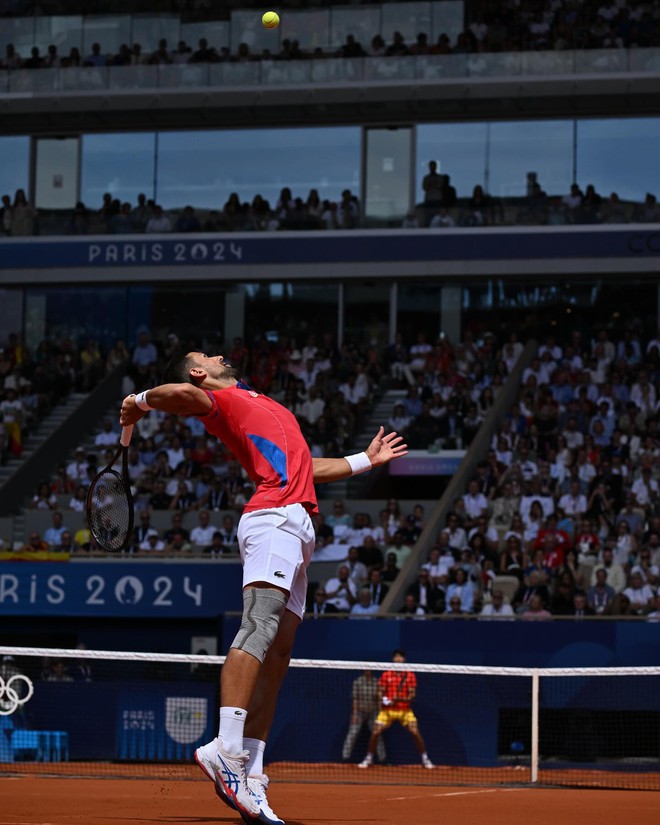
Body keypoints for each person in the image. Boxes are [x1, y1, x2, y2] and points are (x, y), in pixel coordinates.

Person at [120, 348, 407, 822]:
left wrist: (363, 461)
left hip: (299, 524)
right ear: (199, 373)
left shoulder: (257, 404)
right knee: (259, 624)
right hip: (272, 518)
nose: (216, 355)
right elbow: (176, 394)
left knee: (278, 651)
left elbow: (306, 469)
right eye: (204, 356)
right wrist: (142, 400)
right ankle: (226, 747)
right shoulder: (219, 400)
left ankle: (250, 770)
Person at [357, 649, 433, 770]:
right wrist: (386, 700)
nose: (398, 659)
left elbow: (412, 696)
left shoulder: (410, 675)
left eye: (400, 657)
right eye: (396, 657)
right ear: (393, 659)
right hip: (387, 711)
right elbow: (380, 693)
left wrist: (398, 699)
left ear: (404, 660)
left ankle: (425, 759)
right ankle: (369, 758)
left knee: (415, 733)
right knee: (375, 732)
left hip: (405, 711)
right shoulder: (386, 674)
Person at [342, 670, 386, 764]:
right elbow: (355, 699)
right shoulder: (358, 682)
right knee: (353, 733)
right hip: (359, 712)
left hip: (373, 712)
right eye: (366, 668)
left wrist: (380, 714)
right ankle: (345, 757)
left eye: (370, 669)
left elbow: (379, 699)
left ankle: (382, 759)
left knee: (377, 734)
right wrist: (354, 714)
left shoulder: (377, 682)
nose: (368, 670)